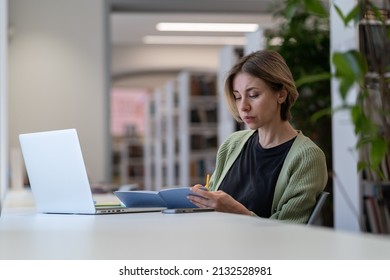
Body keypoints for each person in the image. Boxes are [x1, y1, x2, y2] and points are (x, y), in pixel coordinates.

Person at [188, 49, 328, 224]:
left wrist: (238, 212)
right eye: (237, 97)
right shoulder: (233, 144)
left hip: (263, 251)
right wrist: (203, 198)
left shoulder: (307, 157)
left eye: (253, 95)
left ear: (281, 94)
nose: (243, 106)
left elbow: (289, 232)